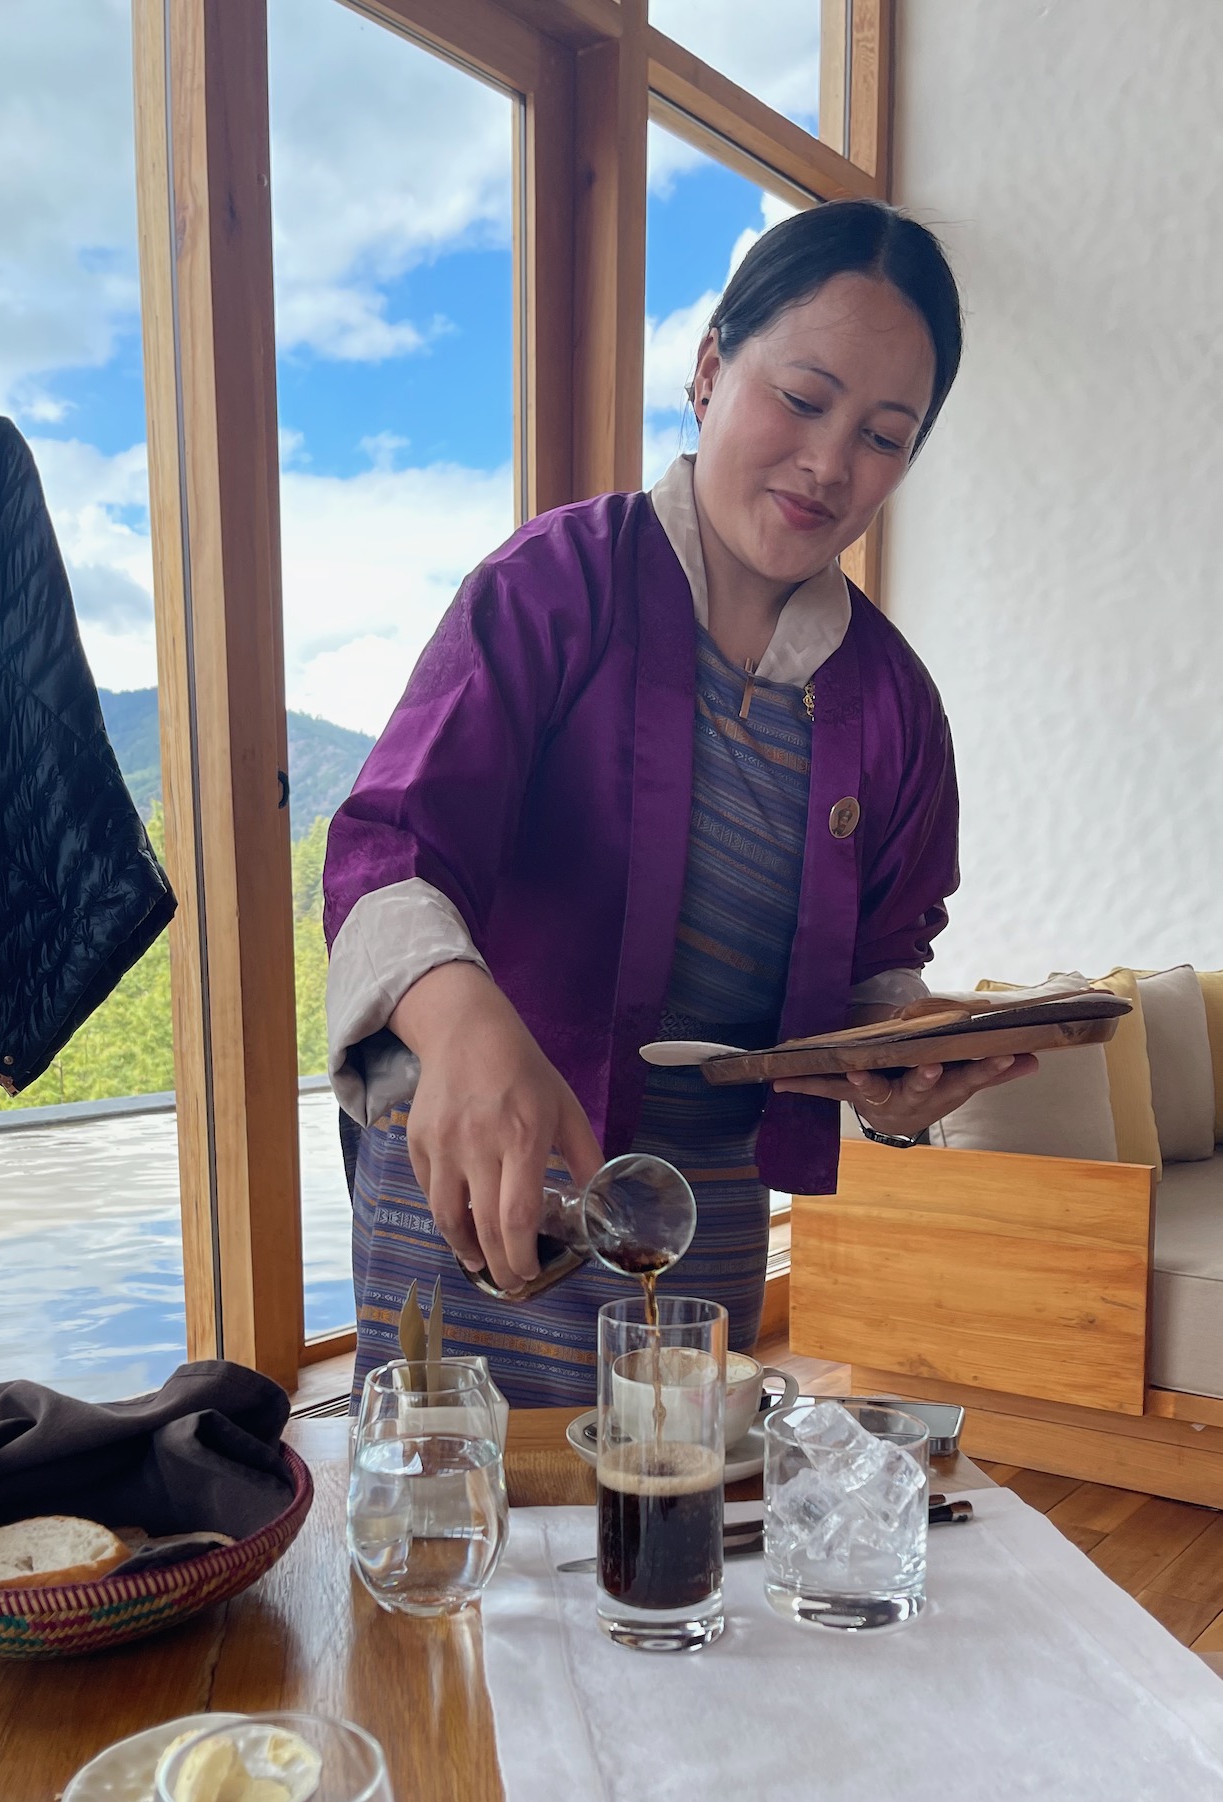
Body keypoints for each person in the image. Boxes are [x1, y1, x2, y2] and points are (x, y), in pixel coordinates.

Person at [322, 199, 1036, 1406]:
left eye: (883, 435)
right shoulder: (552, 586)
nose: (828, 463)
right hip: (489, 1175)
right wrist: (465, 1025)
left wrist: (900, 1063)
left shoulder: (897, 704)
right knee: (459, 1540)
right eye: (803, 399)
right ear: (709, 372)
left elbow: (881, 958)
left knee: (671, 1542)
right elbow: (393, 849)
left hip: (698, 1205)